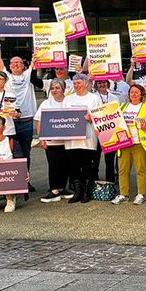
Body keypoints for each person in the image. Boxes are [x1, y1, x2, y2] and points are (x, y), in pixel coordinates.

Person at [0, 48, 38, 168]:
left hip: (26, 121)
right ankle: (12, 182)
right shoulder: (6, 77)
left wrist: (36, 56)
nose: (16, 64)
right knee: (9, 152)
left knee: (25, 153)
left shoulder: (28, 75)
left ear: (24, 66)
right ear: (9, 66)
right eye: (13, 62)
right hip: (9, 122)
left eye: (19, 62)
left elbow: (35, 63)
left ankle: (25, 181)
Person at [64, 73, 100, 203]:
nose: (76, 86)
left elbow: (100, 115)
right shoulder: (68, 99)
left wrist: (92, 118)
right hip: (71, 140)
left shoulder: (94, 98)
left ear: (86, 83)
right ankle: (77, 192)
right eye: (74, 83)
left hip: (88, 138)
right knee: (73, 167)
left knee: (87, 166)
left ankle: (87, 191)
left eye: (78, 83)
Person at [115, 84, 146, 204]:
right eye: (132, 92)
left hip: (139, 143)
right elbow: (114, 123)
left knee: (141, 170)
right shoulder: (122, 107)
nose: (134, 94)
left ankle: (141, 194)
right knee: (123, 170)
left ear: (141, 94)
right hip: (124, 143)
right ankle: (123, 194)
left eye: (137, 92)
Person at [36, 80, 73, 202]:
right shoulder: (46, 103)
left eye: (57, 88)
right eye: (52, 88)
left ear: (63, 89)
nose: (55, 90)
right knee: (53, 165)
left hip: (67, 141)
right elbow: (39, 120)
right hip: (51, 142)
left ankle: (62, 188)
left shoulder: (70, 102)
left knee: (66, 165)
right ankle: (53, 190)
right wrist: (41, 137)